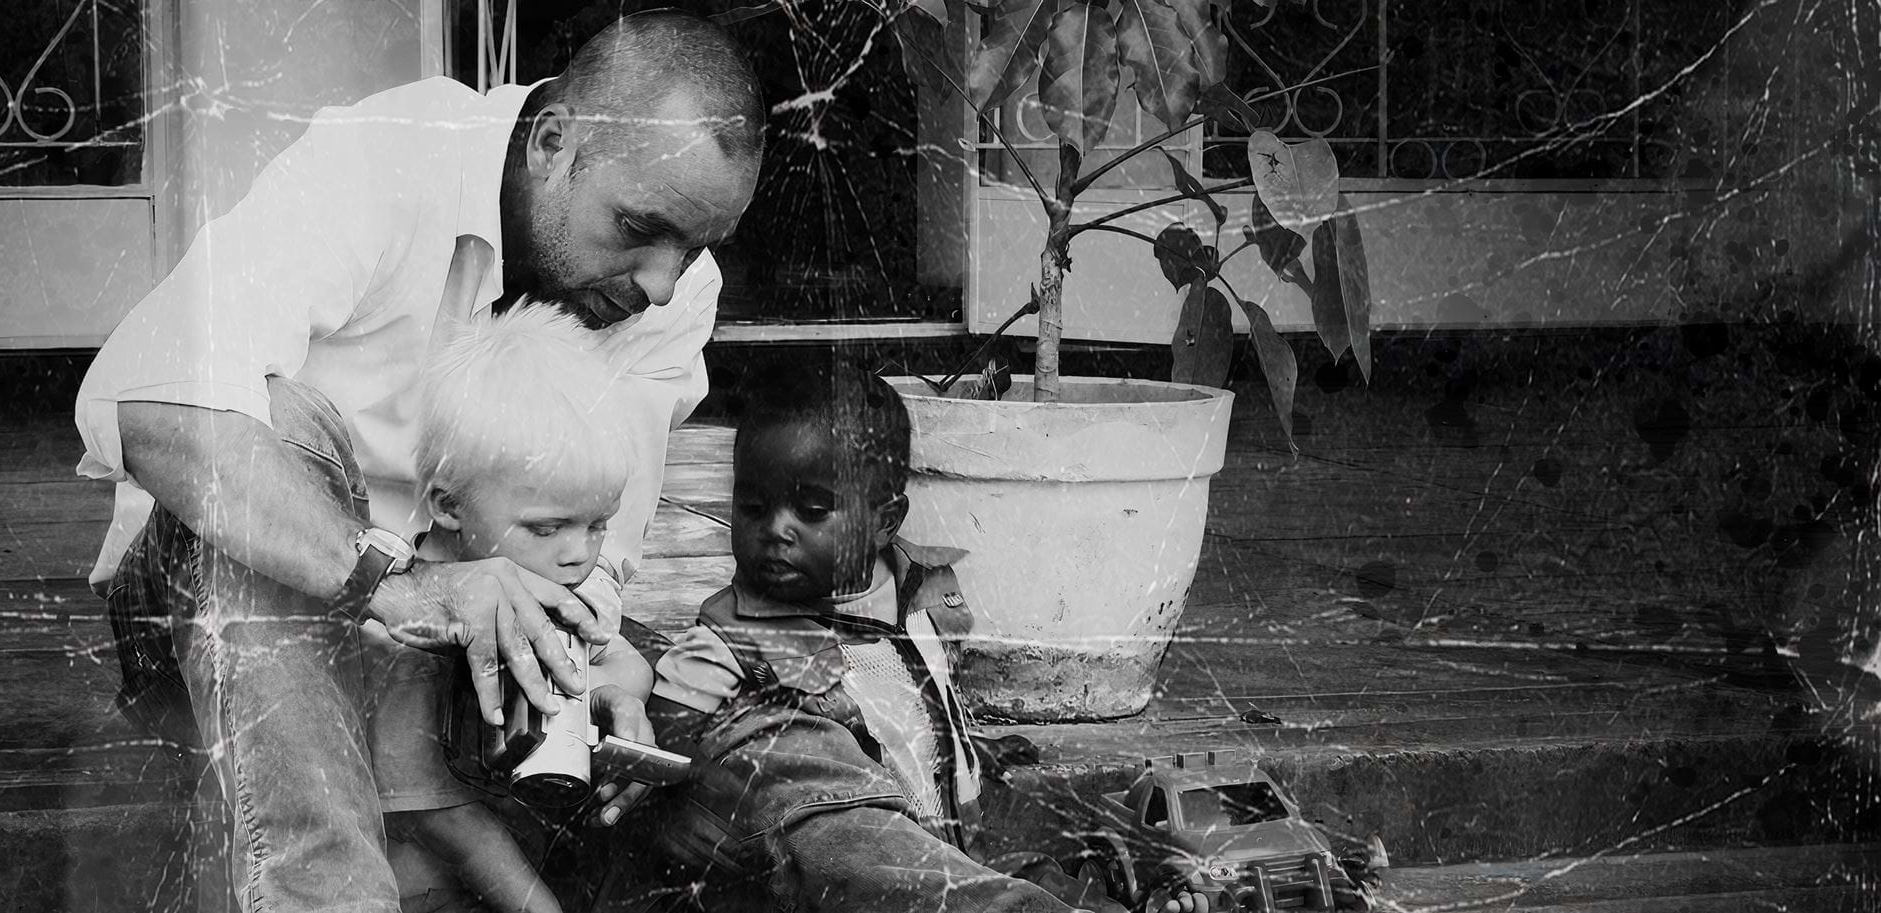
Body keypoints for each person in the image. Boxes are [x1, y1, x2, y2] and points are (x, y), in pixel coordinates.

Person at [71, 10, 764, 912]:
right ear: (552, 142)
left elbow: (598, 540)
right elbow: (155, 401)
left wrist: (591, 656)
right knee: (277, 418)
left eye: (696, 246)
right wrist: (392, 582)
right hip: (215, 608)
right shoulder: (388, 158)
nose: (662, 283)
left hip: (427, 680)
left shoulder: (671, 293)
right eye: (640, 226)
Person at [603, 363, 1209, 913]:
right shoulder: (729, 639)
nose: (775, 531)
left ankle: (1119, 894)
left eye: (812, 511)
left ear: (885, 521)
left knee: (1024, 870)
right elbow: (666, 750)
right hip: (853, 851)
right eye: (752, 506)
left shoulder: (916, 591)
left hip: (948, 830)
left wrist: (975, 754)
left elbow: (923, 705)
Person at [373, 302, 660, 913]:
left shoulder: (546, 578)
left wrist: (609, 694)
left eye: (598, 525)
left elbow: (627, 660)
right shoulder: (416, 627)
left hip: (516, 819)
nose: (578, 557)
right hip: (436, 836)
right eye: (549, 527)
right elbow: (436, 815)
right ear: (450, 506)